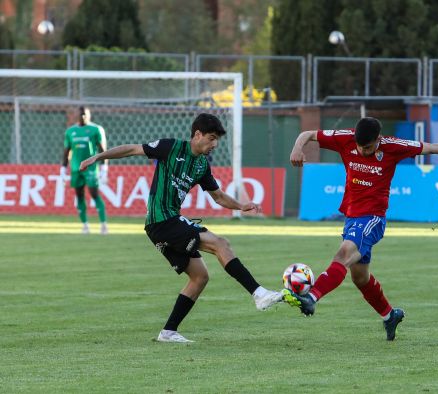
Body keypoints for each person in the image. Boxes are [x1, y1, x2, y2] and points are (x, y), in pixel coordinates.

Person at [79, 113, 284, 343]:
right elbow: (131, 149)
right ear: (197, 134)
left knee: (200, 276)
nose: (214, 144)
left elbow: (218, 196)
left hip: (163, 227)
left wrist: (241, 205)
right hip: (162, 220)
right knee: (220, 243)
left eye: (217, 140)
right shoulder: (170, 147)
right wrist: (98, 156)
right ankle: (259, 294)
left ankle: (168, 332)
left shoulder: (201, 165)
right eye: (211, 138)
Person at [284, 117, 438, 341]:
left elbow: (429, 147)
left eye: (367, 147)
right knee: (360, 278)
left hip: (373, 219)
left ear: (378, 140)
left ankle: (312, 297)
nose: (362, 150)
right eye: (359, 146)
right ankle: (390, 316)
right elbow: (307, 134)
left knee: (343, 253)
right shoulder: (345, 139)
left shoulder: (393, 146)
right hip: (352, 218)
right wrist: (296, 149)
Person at [61, 106, 109, 234]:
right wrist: (63, 169)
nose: (83, 117)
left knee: (94, 194)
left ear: (89, 115)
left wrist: (104, 169)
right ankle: (85, 225)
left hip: (91, 169)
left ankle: (103, 224)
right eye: (81, 114)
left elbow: (102, 150)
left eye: (85, 115)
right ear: (77, 115)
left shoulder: (96, 129)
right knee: (79, 196)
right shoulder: (70, 131)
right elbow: (66, 152)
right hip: (76, 169)